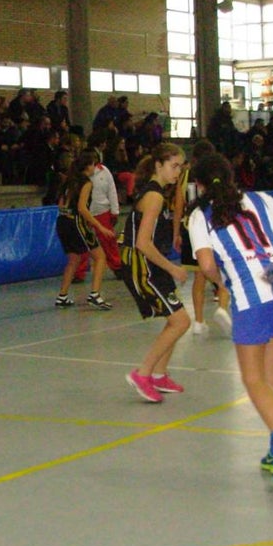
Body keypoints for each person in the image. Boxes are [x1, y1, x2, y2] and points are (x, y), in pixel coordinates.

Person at [186, 151, 273, 487]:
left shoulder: (200, 216)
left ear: (198, 184)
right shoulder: (259, 198)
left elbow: (207, 265)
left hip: (252, 293)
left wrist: (223, 283)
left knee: (253, 378)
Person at [118, 143, 189, 404]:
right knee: (181, 321)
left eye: (181, 167)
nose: (178, 172)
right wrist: (173, 267)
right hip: (141, 264)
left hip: (151, 263)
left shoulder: (159, 192)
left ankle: (159, 375)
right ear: (158, 165)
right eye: (174, 166)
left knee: (175, 319)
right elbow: (142, 243)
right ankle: (143, 373)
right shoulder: (155, 196)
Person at [172, 140, 231, 336]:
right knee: (225, 272)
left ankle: (198, 321)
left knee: (199, 276)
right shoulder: (217, 176)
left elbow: (178, 206)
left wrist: (176, 233)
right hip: (214, 225)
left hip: (191, 228)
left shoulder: (183, 176)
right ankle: (222, 308)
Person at [54, 150, 114, 311]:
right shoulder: (86, 183)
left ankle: (62, 296)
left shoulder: (69, 181)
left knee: (73, 259)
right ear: (88, 166)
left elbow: (61, 204)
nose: (95, 167)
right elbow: (82, 208)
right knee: (100, 257)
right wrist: (99, 226)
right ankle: (95, 294)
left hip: (62, 221)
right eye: (94, 164)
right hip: (76, 222)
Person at [74, 130, 121, 281]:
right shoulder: (79, 177)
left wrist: (115, 210)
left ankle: (117, 267)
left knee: (109, 242)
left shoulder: (104, 171)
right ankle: (79, 273)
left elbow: (112, 190)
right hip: (84, 214)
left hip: (102, 212)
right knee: (82, 244)